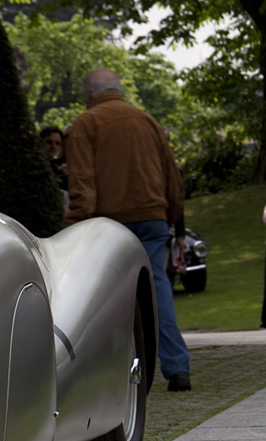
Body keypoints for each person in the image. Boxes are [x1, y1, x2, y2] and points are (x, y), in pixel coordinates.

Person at [65, 68, 191, 392]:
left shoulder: (85, 124)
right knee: (158, 289)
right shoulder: (147, 121)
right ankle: (177, 367)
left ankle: (116, 373)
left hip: (110, 222)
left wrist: (75, 224)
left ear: (90, 93)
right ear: (118, 90)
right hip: (152, 217)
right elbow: (173, 178)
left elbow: (83, 184)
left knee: (108, 296)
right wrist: (172, 216)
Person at [39, 125, 68, 192]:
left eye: (57, 143)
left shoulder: (55, 166)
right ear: (40, 142)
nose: (53, 146)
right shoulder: (34, 162)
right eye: (49, 142)